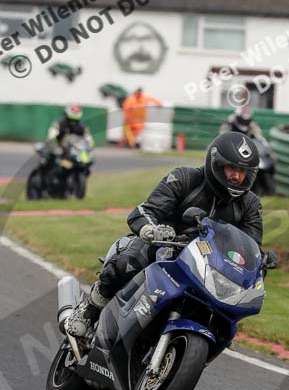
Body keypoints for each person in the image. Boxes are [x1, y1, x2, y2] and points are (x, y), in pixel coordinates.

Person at [66, 131, 266, 337]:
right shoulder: (185, 178)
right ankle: (90, 310)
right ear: (216, 163)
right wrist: (151, 229)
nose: (236, 176)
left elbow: (251, 247)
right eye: (232, 168)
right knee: (129, 259)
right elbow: (146, 211)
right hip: (164, 248)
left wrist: (260, 263)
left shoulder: (250, 205)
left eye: (243, 171)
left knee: (227, 315)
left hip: (207, 265)